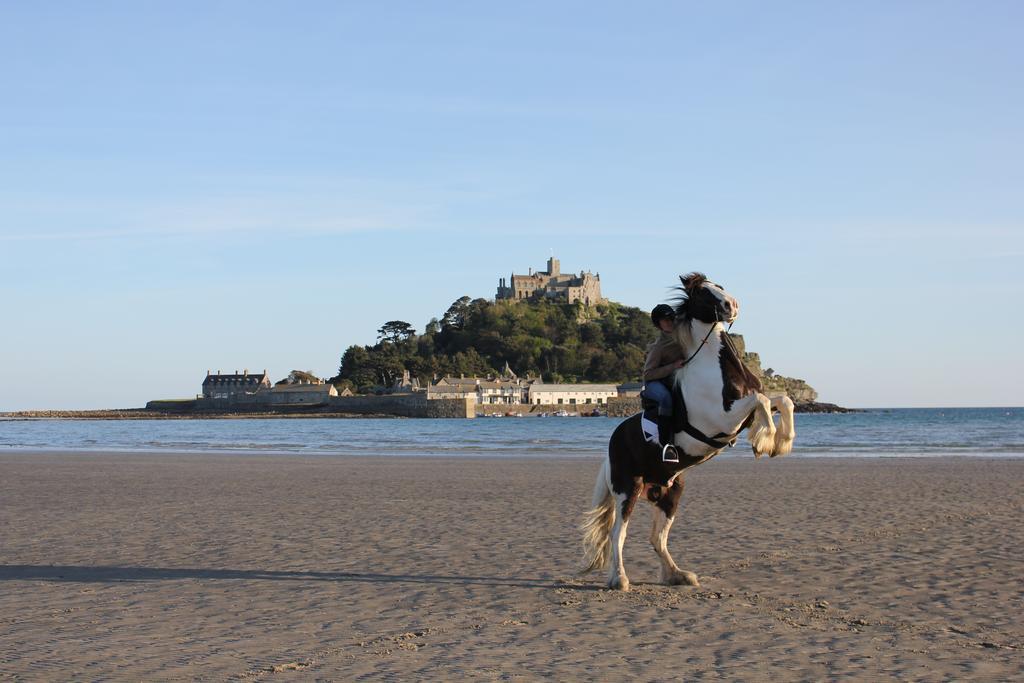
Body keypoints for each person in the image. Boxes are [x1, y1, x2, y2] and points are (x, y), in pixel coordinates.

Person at [643, 304, 684, 462]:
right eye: (664, 321)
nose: (669, 322)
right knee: (666, 399)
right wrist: (673, 366)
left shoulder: (683, 336)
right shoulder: (659, 346)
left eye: (670, 319)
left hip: (673, 381)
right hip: (654, 383)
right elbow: (648, 374)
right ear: (658, 324)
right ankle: (667, 444)